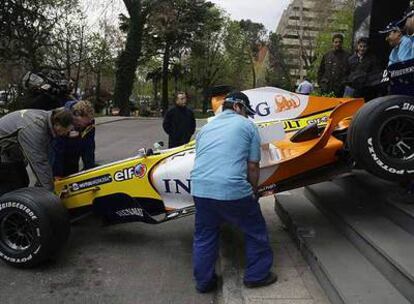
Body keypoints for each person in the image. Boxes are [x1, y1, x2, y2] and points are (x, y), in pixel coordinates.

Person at [190, 91, 275, 293]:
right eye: (246, 111)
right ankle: (257, 275)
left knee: (204, 235)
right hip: (232, 189)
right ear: (238, 107)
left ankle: (204, 282)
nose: (247, 116)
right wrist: (253, 192)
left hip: (200, 189)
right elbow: (253, 167)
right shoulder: (247, 126)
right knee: (255, 231)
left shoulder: (206, 127)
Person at [0, 108, 73, 194]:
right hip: (4, 153)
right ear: (58, 124)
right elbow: (39, 162)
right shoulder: (35, 128)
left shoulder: (45, 119)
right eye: (66, 130)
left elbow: (45, 156)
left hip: (9, 153)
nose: (67, 133)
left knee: (23, 181)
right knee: (14, 186)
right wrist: (51, 194)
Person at [52, 100, 95, 177]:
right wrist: (57, 174)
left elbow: (89, 147)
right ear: (76, 115)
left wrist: (90, 170)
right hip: (63, 151)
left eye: (87, 123)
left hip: (75, 156)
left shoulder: (89, 123)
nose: (84, 126)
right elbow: (57, 150)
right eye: (82, 124)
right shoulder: (63, 119)